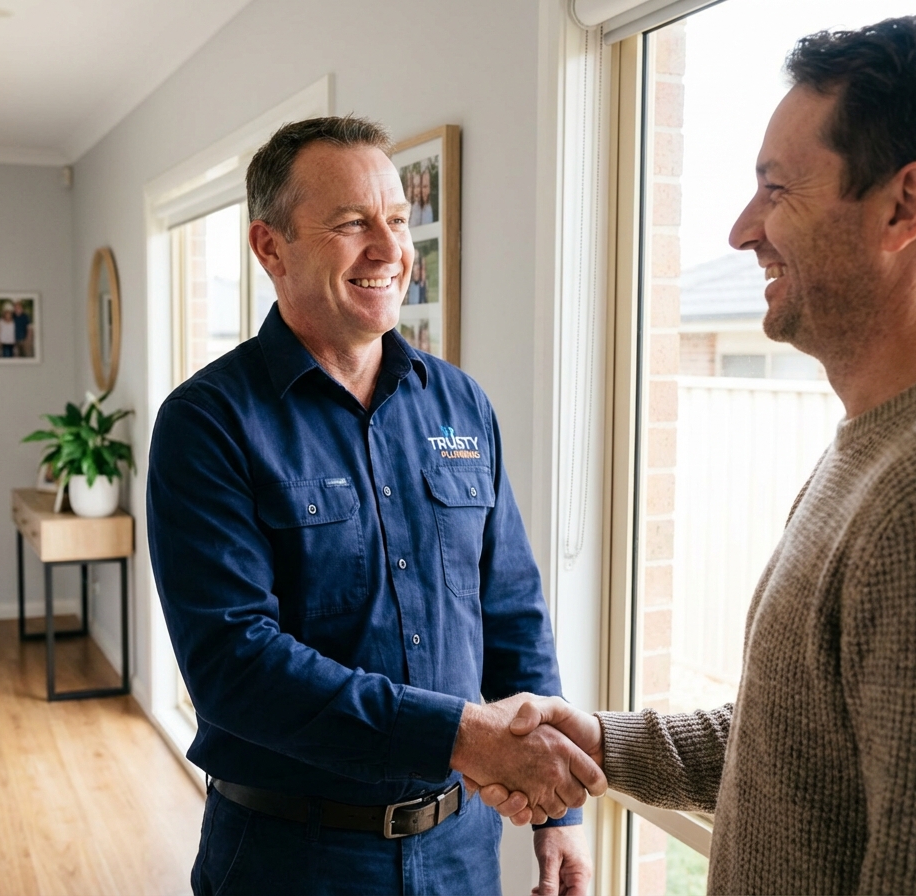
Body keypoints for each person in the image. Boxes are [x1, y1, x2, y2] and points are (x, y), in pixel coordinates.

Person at [480, 16, 916, 895]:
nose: (743, 230)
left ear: (903, 206)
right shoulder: (868, 452)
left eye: (777, 189)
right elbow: (787, 741)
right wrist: (598, 740)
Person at [147, 116, 604, 896]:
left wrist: (556, 812)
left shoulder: (461, 403)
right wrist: (461, 736)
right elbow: (236, 665)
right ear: (271, 247)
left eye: (397, 220)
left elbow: (513, 610)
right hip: (292, 857)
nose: (391, 250)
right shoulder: (209, 422)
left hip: (462, 848)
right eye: (353, 223)